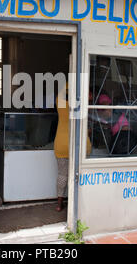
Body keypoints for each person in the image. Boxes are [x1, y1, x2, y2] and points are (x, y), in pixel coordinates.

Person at [53, 83, 91, 211]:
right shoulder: (82, 105)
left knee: (62, 175)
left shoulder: (61, 104)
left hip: (62, 144)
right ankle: (76, 204)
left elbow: (61, 95)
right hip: (81, 144)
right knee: (78, 176)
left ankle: (59, 204)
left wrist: (69, 84)